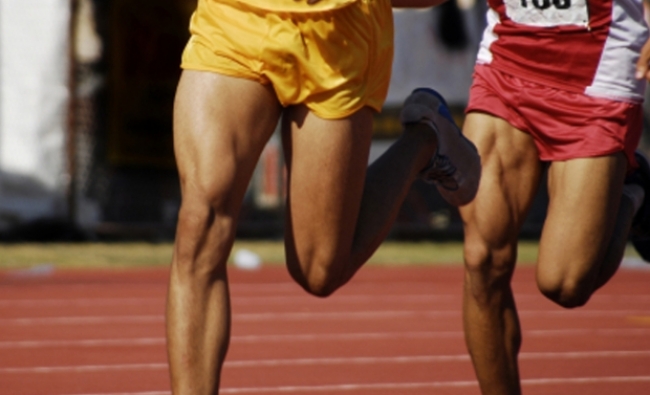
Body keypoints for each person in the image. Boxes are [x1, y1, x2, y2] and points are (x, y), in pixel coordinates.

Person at [165, 0, 480, 393]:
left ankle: (423, 143)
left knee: (319, 271)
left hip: (338, 34)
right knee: (200, 221)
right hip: (236, 19)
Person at [458, 0, 650, 394]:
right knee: (482, 260)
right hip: (507, 60)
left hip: (599, 65)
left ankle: (635, 192)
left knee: (564, 285)